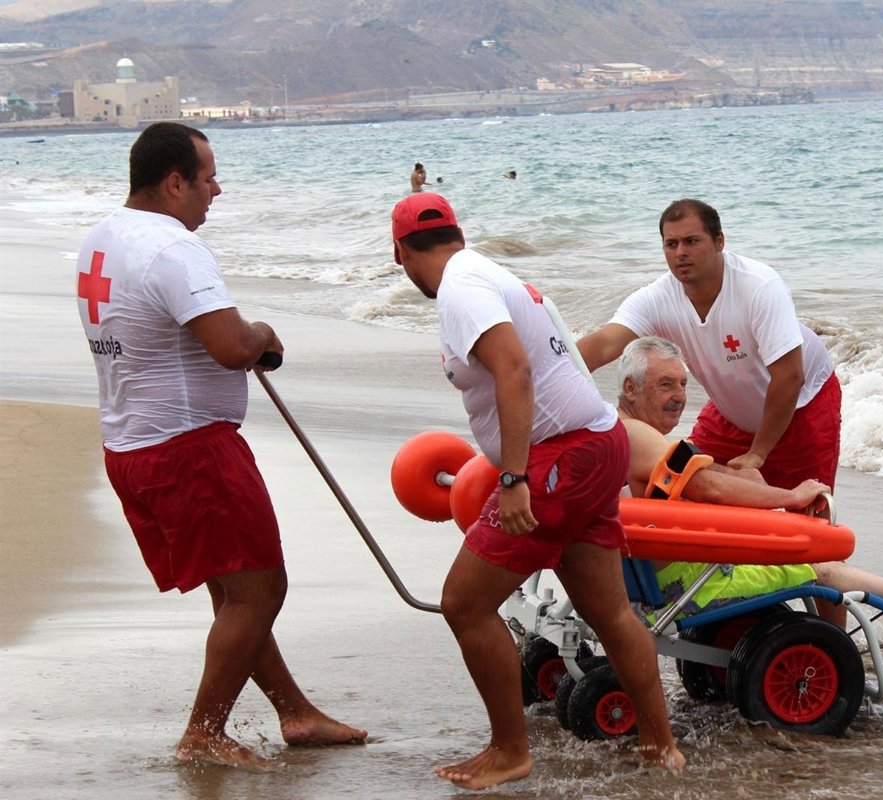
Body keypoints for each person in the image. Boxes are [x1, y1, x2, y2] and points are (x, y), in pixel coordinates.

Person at [74, 122, 366, 770]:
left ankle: (295, 712)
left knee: (236, 593)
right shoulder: (174, 248)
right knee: (260, 590)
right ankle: (203, 732)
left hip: (130, 445)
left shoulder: (102, 238)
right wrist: (264, 331)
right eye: (209, 179)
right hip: (188, 450)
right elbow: (233, 348)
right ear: (175, 182)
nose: (217, 190)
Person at [389, 193, 684, 790]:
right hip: (596, 440)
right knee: (609, 611)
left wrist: (514, 477)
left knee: (465, 604)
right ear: (457, 234)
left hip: (561, 456)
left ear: (400, 252)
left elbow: (515, 369)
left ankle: (509, 751)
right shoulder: (488, 273)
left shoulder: (459, 287)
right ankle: (661, 746)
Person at [616, 336, 883, 620]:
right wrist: (789, 497)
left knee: (756, 488)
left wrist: (752, 484)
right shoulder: (638, 436)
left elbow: (700, 477)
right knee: (818, 566)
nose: (679, 396)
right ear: (630, 388)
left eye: (683, 384)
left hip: (653, 581)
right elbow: (706, 486)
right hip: (682, 590)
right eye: (666, 385)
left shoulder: (617, 429)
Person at [578, 198, 841, 493]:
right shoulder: (657, 298)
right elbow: (604, 344)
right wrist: (547, 380)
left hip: (801, 407)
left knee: (806, 505)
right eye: (671, 244)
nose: (681, 252)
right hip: (729, 412)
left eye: (691, 241)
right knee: (674, 481)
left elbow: (790, 376)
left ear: (719, 242)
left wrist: (758, 453)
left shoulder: (759, 286)